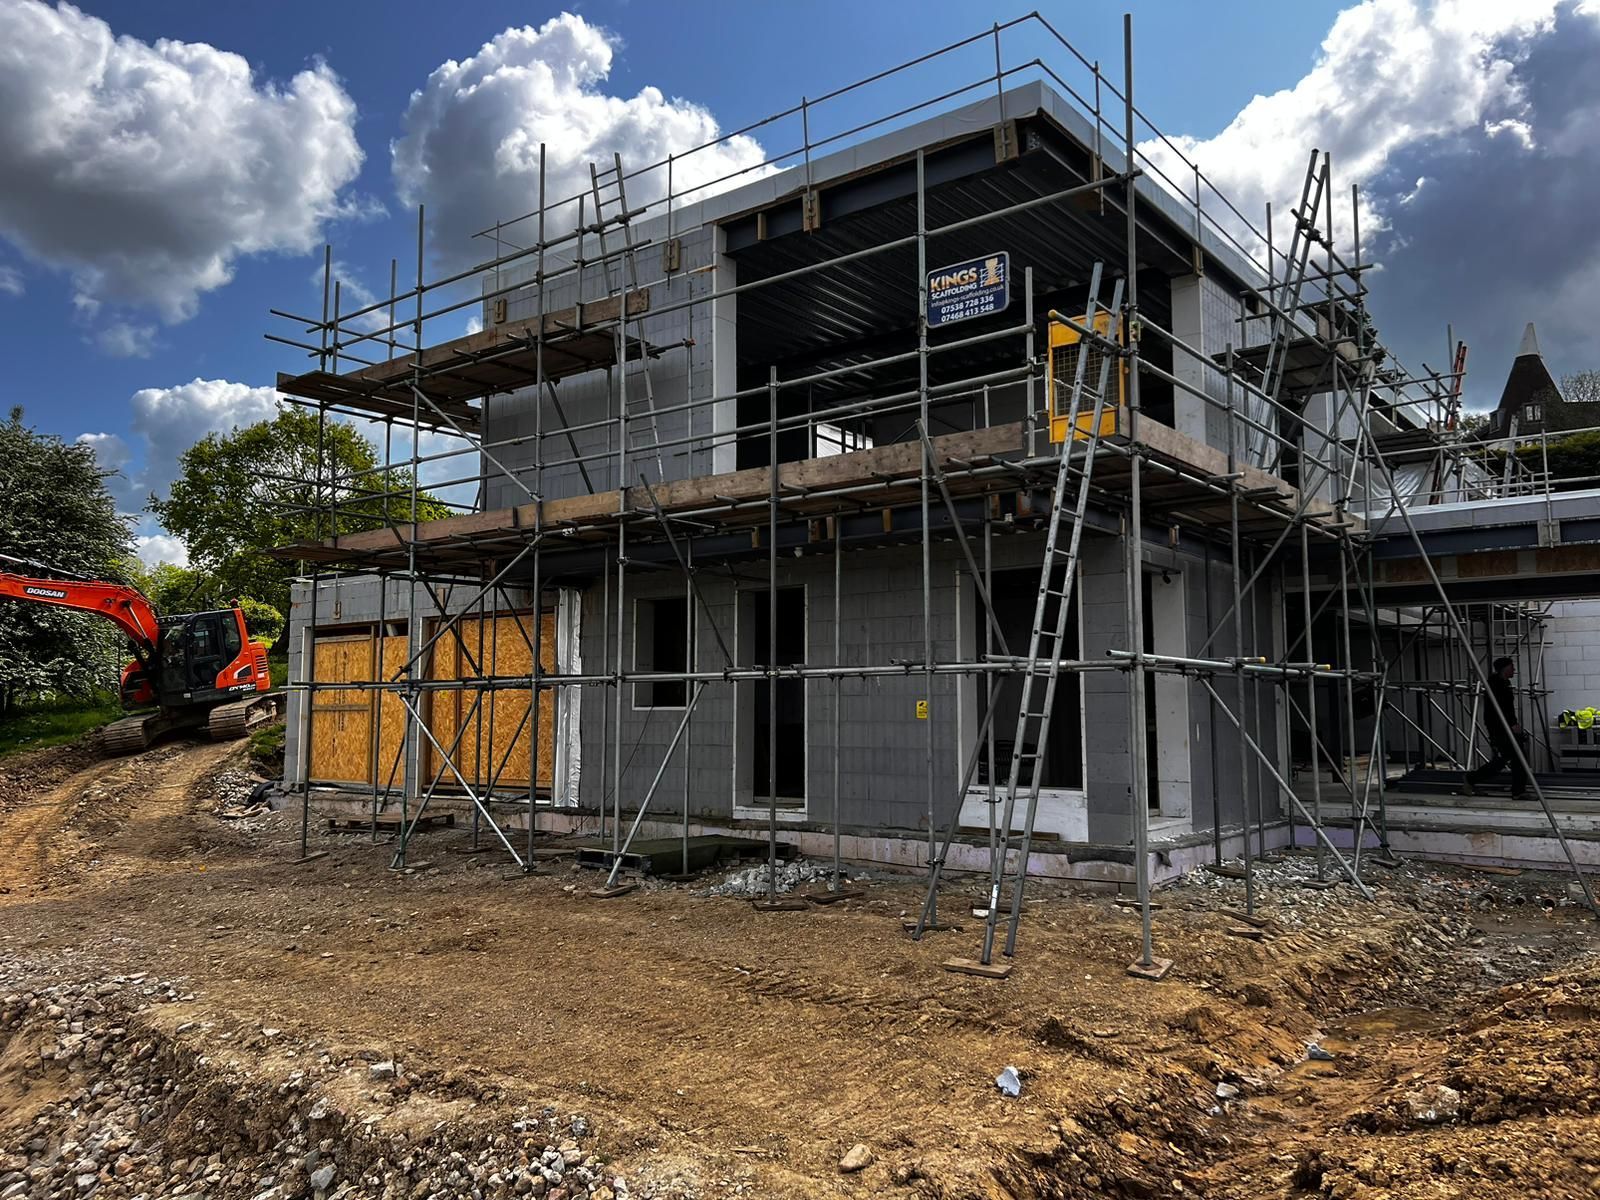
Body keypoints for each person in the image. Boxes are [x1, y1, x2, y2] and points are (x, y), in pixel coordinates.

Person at [1463, 657, 1529, 800]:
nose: (1514, 670)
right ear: (1505, 668)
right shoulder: (1496, 685)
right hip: (1501, 729)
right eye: (1512, 667)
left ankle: (1472, 779)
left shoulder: (1502, 683)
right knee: (1517, 758)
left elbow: (1507, 709)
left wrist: (1513, 724)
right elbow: (1501, 709)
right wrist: (1512, 725)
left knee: (1508, 759)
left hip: (1504, 727)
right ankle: (1518, 791)